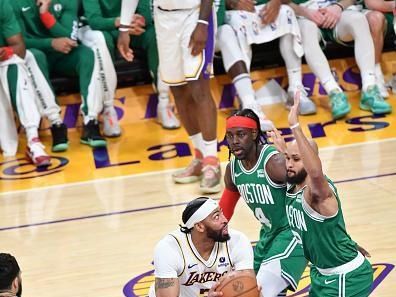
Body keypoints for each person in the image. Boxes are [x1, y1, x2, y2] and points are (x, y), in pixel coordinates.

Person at [269, 94, 373, 296]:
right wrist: (285, 149)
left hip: (345, 278)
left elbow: (315, 172)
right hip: (321, 273)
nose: (289, 164)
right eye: (287, 158)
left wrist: (295, 126)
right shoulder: (294, 187)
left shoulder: (317, 193)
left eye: (296, 159)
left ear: (310, 160)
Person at [118, 0, 221, 194]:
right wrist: (124, 28)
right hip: (163, 18)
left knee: (199, 88)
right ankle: (200, 156)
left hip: (195, 14)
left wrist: (203, 23)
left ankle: (212, 162)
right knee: (178, 90)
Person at [220, 109, 307, 297]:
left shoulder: (274, 162)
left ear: (253, 134)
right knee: (243, 287)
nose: (234, 141)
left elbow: (315, 188)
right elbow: (223, 213)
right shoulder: (233, 170)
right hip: (268, 236)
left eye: (241, 134)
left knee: (258, 292)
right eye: (230, 135)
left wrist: (334, 236)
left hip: (295, 233)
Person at [11, 0, 113, 148]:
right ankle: (56, 124)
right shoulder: (12, 3)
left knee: (86, 55)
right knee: (35, 56)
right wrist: (50, 43)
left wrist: (46, 14)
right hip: (37, 54)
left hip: (62, 54)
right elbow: (17, 42)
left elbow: (69, 36)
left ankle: (90, 121)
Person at [81, 0, 180, 130]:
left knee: (156, 35)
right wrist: (121, 23)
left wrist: (133, 24)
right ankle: (108, 110)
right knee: (101, 40)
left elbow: (146, 15)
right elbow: (95, 21)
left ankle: (164, 103)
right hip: (109, 29)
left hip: (133, 29)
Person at [289, 0, 392, 118]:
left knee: (359, 19)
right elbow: (280, 3)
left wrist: (338, 7)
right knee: (307, 30)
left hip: (337, 11)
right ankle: (334, 92)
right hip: (304, 15)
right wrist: (306, 12)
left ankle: (369, 89)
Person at [224, 0, 317, 115]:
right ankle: (247, 99)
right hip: (234, 11)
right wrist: (230, 2)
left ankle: (296, 90)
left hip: (265, 6)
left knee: (287, 12)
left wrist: (277, 1)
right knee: (237, 22)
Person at [148, 197, 255, 297]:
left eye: (222, 213)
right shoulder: (169, 248)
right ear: (199, 226)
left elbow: (248, 284)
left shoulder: (237, 241)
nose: (225, 220)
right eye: (216, 217)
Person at [0, 0, 62, 166]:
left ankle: (33, 140)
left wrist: (8, 51)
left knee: (16, 63)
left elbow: (19, 47)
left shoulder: (3, 5)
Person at [215, 0, 274, 131]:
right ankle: (163, 102)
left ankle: (249, 104)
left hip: (211, 30)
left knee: (227, 31)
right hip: (183, 31)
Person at [361, 0, 395, 97]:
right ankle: (375, 77)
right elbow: (371, 3)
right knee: (375, 19)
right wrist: (392, 5)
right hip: (378, 11)